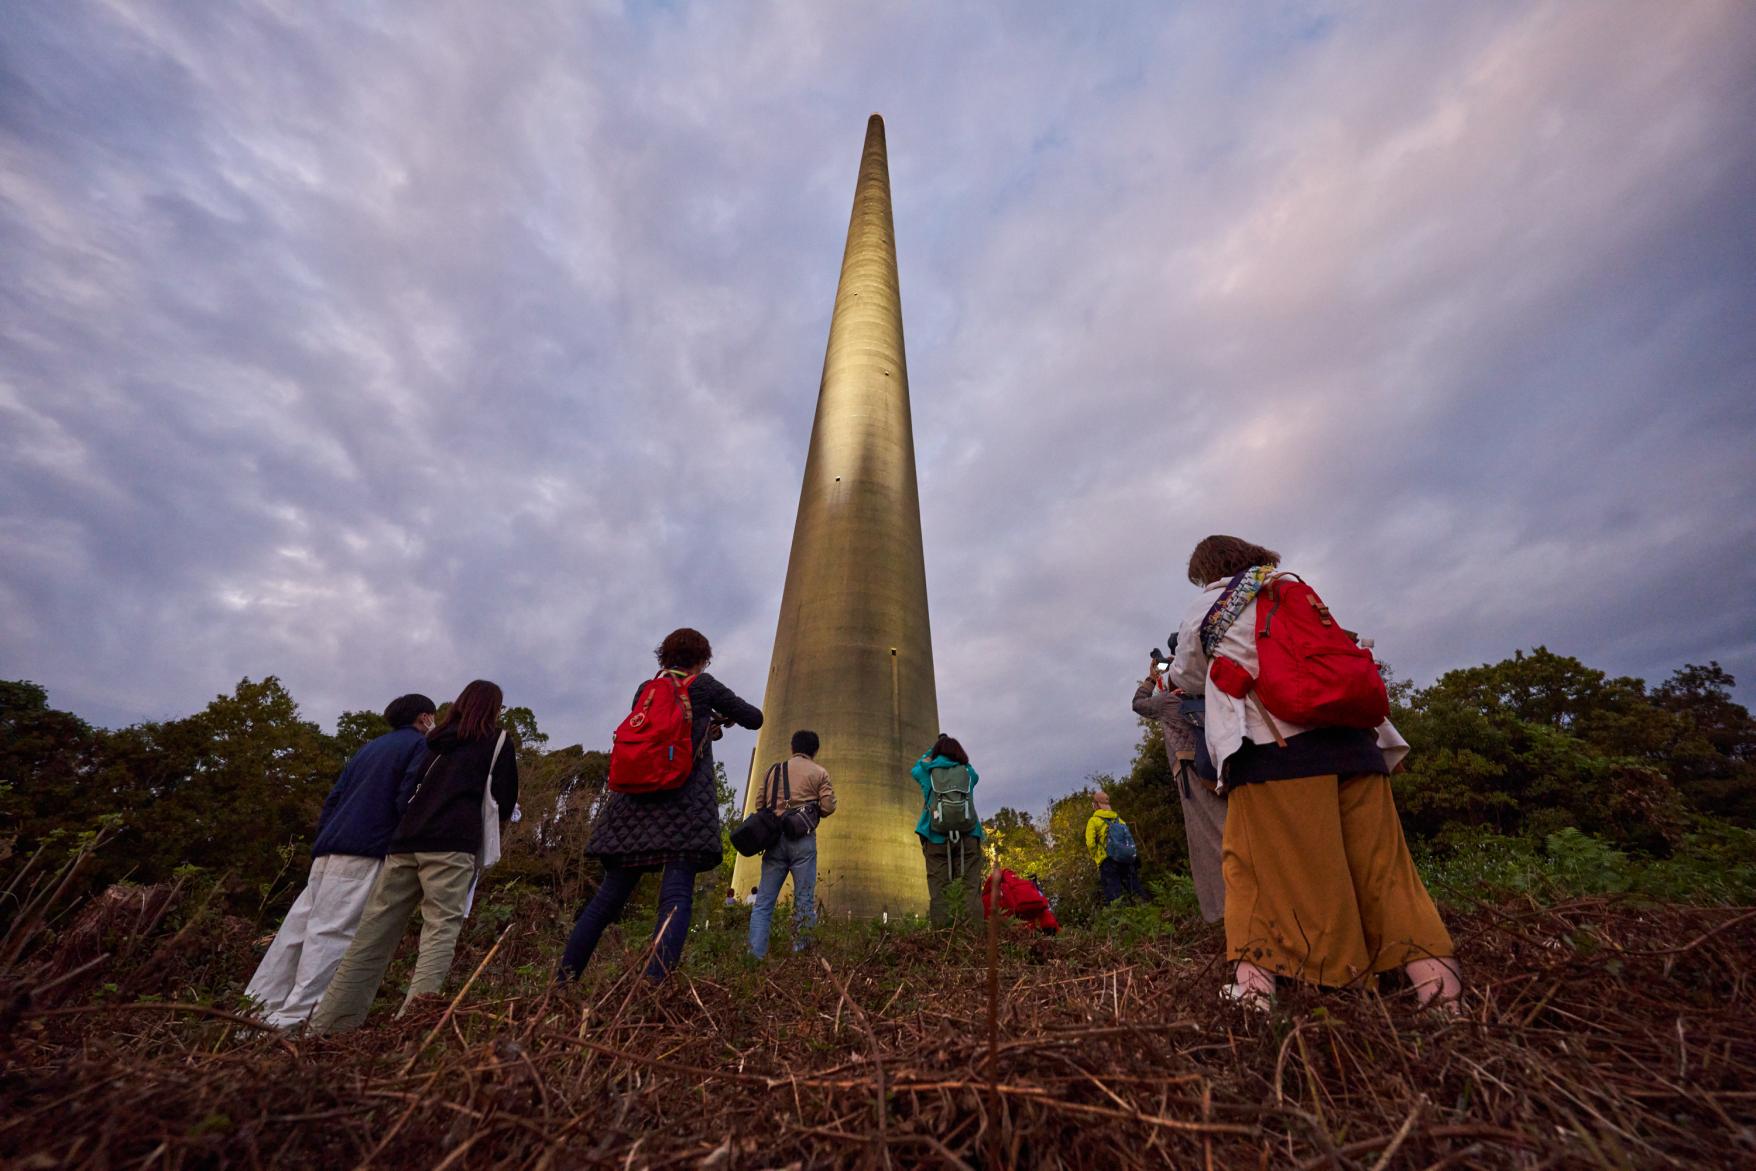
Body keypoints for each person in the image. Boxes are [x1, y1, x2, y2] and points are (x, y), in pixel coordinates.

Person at [1170, 535, 1460, 1011]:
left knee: (1251, 870)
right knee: (1387, 877)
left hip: (1275, 754)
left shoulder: (1210, 605)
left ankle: (1255, 993)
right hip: (1355, 746)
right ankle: (1443, 999)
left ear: (1205, 570)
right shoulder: (1291, 587)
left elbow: (1185, 676)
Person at [309, 680, 519, 1033]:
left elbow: (412, 787)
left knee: (373, 933)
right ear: (493, 708)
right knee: (439, 929)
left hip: (405, 843)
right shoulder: (496, 741)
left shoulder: (433, 742)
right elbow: (505, 799)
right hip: (451, 847)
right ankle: (412, 1025)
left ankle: (330, 1024)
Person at [558, 628, 762, 983]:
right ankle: (655, 983)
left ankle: (563, 979)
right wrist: (718, 715)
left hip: (633, 808)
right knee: (676, 896)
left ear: (664, 658)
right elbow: (754, 717)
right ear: (701, 658)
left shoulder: (645, 690)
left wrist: (704, 725)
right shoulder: (703, 686)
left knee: (606, 901)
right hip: (681, 805)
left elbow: (658, 733)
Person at [244, 693, 436, 1028]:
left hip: (329, 850)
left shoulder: (368, 748)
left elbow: (333, 799)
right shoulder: (418, 747)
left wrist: (322, 841)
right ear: (423, 718)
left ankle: (251, 1014)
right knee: (330, 938)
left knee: (295, 936)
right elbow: (406, 799)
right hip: (365, 852)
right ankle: (291, 1026)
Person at [1133, 661, 1227, 922]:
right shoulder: (1210, 695)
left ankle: (1222, 909)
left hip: (1190, 774)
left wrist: (1151, 678)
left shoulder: (1167, 703)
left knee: (1206, 838)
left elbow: (1139, 703)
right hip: (1221, 772)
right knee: (1228, 828)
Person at [748, 730, 838, 958]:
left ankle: (754, 958)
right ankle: (801, 957)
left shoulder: (773, 771)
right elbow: (828, 807)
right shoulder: (819, 772)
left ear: (792, 747)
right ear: (815, 750)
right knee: (804, 900)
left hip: (774, 838)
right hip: (802, 840)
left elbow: (759, 804)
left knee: (763, 903)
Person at [912, 734, 984, 930]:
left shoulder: (927, 772)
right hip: (968, 836)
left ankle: (943, 939)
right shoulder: (967, 773)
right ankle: (974, 938)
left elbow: (916, 768)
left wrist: (931, 750)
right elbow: (976, 775)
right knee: (970, 889)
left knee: (939, 891)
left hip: (935, 837)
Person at [1084, 790, 1145, 904]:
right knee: (1135, 891)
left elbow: (1090, 843)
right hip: (1125, 859)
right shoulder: (1119, 819)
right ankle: (1147, 914)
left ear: (1095, 805)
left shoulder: (1093, 821)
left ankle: (1122, 920)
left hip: (1107, 861)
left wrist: (1098, 857)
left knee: (1114, 897)